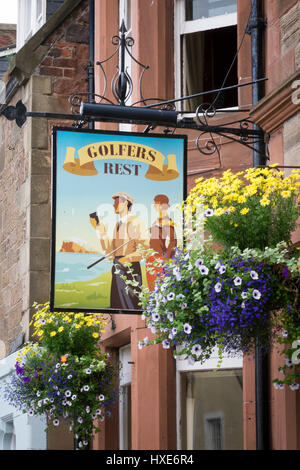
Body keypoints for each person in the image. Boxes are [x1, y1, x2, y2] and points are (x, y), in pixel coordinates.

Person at [90, 192, 149, 310]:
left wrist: (126, 259)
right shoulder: (118, 224)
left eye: (116, 202)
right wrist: (100, 231)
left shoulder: (136, 221)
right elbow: (111, 252)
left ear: (125, 203)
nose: (113, 205)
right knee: (118, 305)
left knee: (130, 305)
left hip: (130, 268)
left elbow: (144, 248)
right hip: (118, 267)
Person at [146, 194, 177, 291]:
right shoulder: (157, 220)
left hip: (159, 258)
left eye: (156, 204)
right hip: (152, 257)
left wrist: (166, 258)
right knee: (152, 287)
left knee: (159, 288)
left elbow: (173, 240)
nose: (154, 206)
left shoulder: (167, 220)